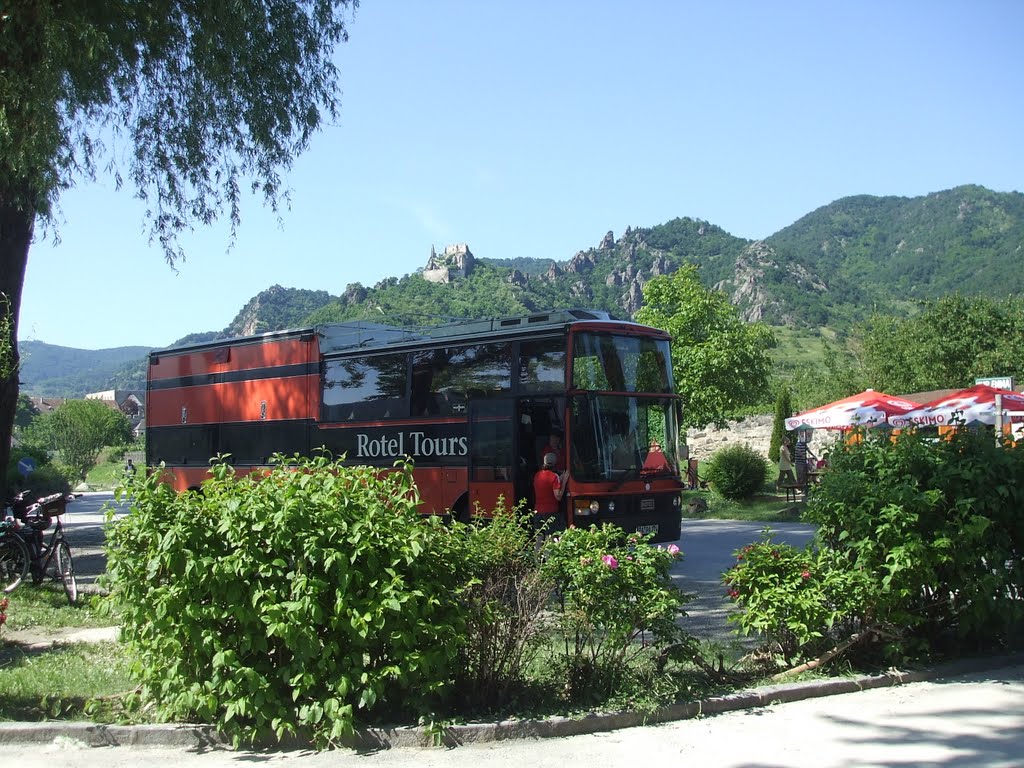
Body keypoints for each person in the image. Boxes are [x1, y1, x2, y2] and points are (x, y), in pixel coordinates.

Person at [532, 452, 568, 537]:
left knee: (539, 539)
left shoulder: (537, 475)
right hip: (550, 512)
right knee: (550, 539)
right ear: (555, 463)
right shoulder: (554, 477)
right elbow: (558, 496)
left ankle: (537, 551)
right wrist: (564, 482)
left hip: (537, 511)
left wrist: (559, 478)